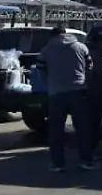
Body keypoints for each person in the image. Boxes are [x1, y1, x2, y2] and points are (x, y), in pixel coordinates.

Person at [41, 25, 96, 172]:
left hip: (56, 93)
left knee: (56, 130)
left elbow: (40, 69)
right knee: (82, 128)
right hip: (78, 91)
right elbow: (90, 67)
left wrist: (50, 83)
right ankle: (87, 161)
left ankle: (57, 163)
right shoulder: (81, 47)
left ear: (52, 36)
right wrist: (85, 83)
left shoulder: (47, 49)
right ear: (66, 33)